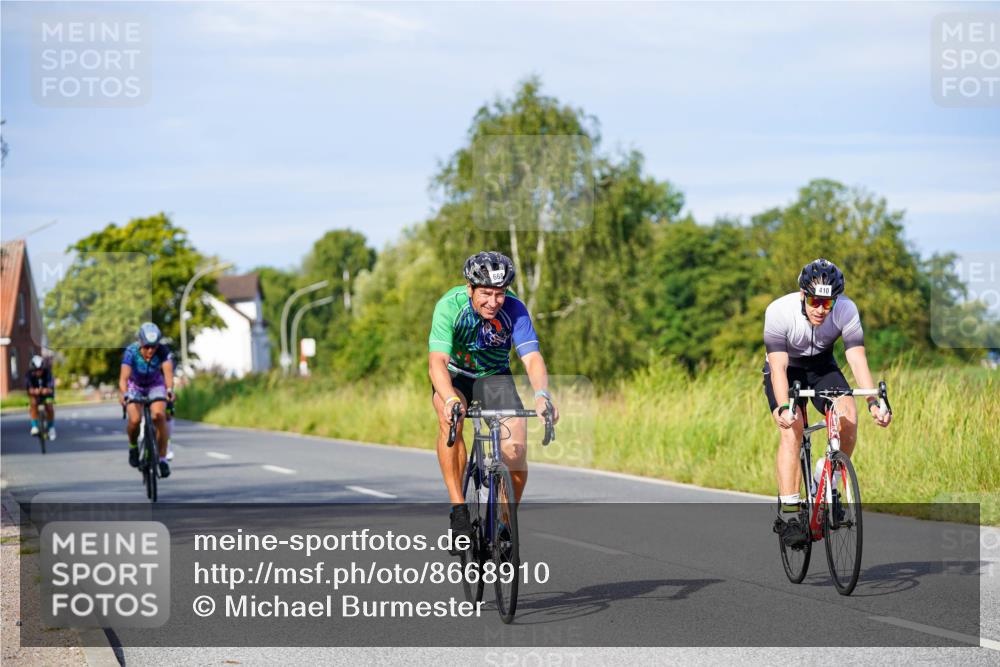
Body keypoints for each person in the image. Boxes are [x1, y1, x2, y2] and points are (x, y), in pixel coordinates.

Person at [429, 251, 559, 549]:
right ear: (470, 288)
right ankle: (459, 511)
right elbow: (437, 362)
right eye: (485, 293)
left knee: (516, 448)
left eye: (499, 294)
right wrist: (449, 399)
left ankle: (503, 522)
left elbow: (533, 358)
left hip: (494, 376)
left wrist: (541, 395)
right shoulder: (449, 306)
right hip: (456, 376)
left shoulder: (514, 309)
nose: (493, 301)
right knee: (451, 419)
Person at [763, 259, 892, 547]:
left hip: (822, 367)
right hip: (788, 368)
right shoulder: (778, 312)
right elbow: (779, 367)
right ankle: (790, 512)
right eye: (815, 301)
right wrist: (785, 407)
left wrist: (873, 400)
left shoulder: (846, 309)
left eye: (828, 303)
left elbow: (856, 357)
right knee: (792, 426)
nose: (821, 309)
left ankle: (828, 475)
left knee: (848, 415)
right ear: (802, 295)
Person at [119, 322, 175, 478]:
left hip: (155, 385)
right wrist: (124, 394)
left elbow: (168, 374)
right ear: (140, 343)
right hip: (134, 386)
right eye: (147, 347)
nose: (150, 350)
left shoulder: (163, 351)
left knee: (159, 416)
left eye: (154, 347)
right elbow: (123, 379)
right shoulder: (131, 351)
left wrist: (169, 390)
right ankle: (133, 447)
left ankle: (162, 459)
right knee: (135, 420)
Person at [25, 355, 56, 440]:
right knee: (33, 404)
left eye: (40, 370)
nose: (38, 372)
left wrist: (47, 390)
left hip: (47, 395)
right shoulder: (28, 375)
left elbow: (51, 385)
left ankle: (51, 428)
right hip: (35, 396)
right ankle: (34, 426)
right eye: (36, 370)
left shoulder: (48, 373)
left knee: (49, 406)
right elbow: (28, 388)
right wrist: (34, 391)